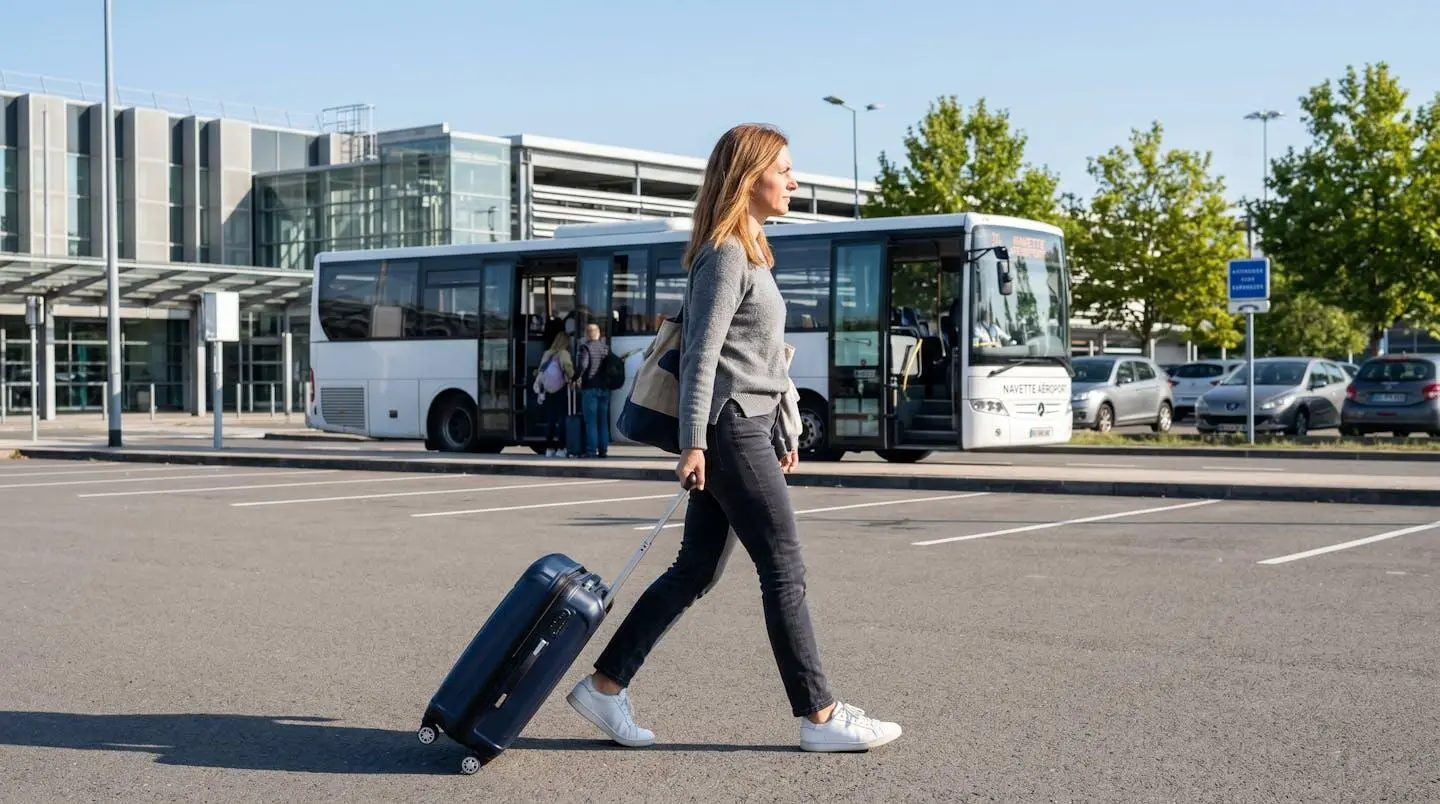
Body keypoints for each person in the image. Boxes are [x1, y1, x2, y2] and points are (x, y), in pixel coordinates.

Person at [565, 123, 902, 753]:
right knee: (783, 567)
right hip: (726, 432)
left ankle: (605, 687)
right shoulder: (725, 253)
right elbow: (701, 357)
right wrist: (694, 441)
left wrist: (785, 421)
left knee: (695, 569)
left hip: (745, 426)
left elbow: (760, 358)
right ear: (750, 178)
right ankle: (820, 717)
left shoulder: (751, 252)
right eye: (787, 169)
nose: (796, 181)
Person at [534, 331, 574, 456]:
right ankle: (561, 448)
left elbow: (541, 370)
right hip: (560, 389)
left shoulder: (547, 353)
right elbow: (568, 369)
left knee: (551, 420)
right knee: (562, 419)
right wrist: (573, 378)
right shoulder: (564, 354)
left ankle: (549, 449)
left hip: (548, 390)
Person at [575, 321, 611, 458]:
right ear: (599, 334)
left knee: (591, 422)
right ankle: (603, 451)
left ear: (587, 334)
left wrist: (574, 378)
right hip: (604, 389)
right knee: (603, 421)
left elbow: (583, 366)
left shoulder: (585, 347)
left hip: (590, 389)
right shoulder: (605, 348)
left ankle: (591, 451)